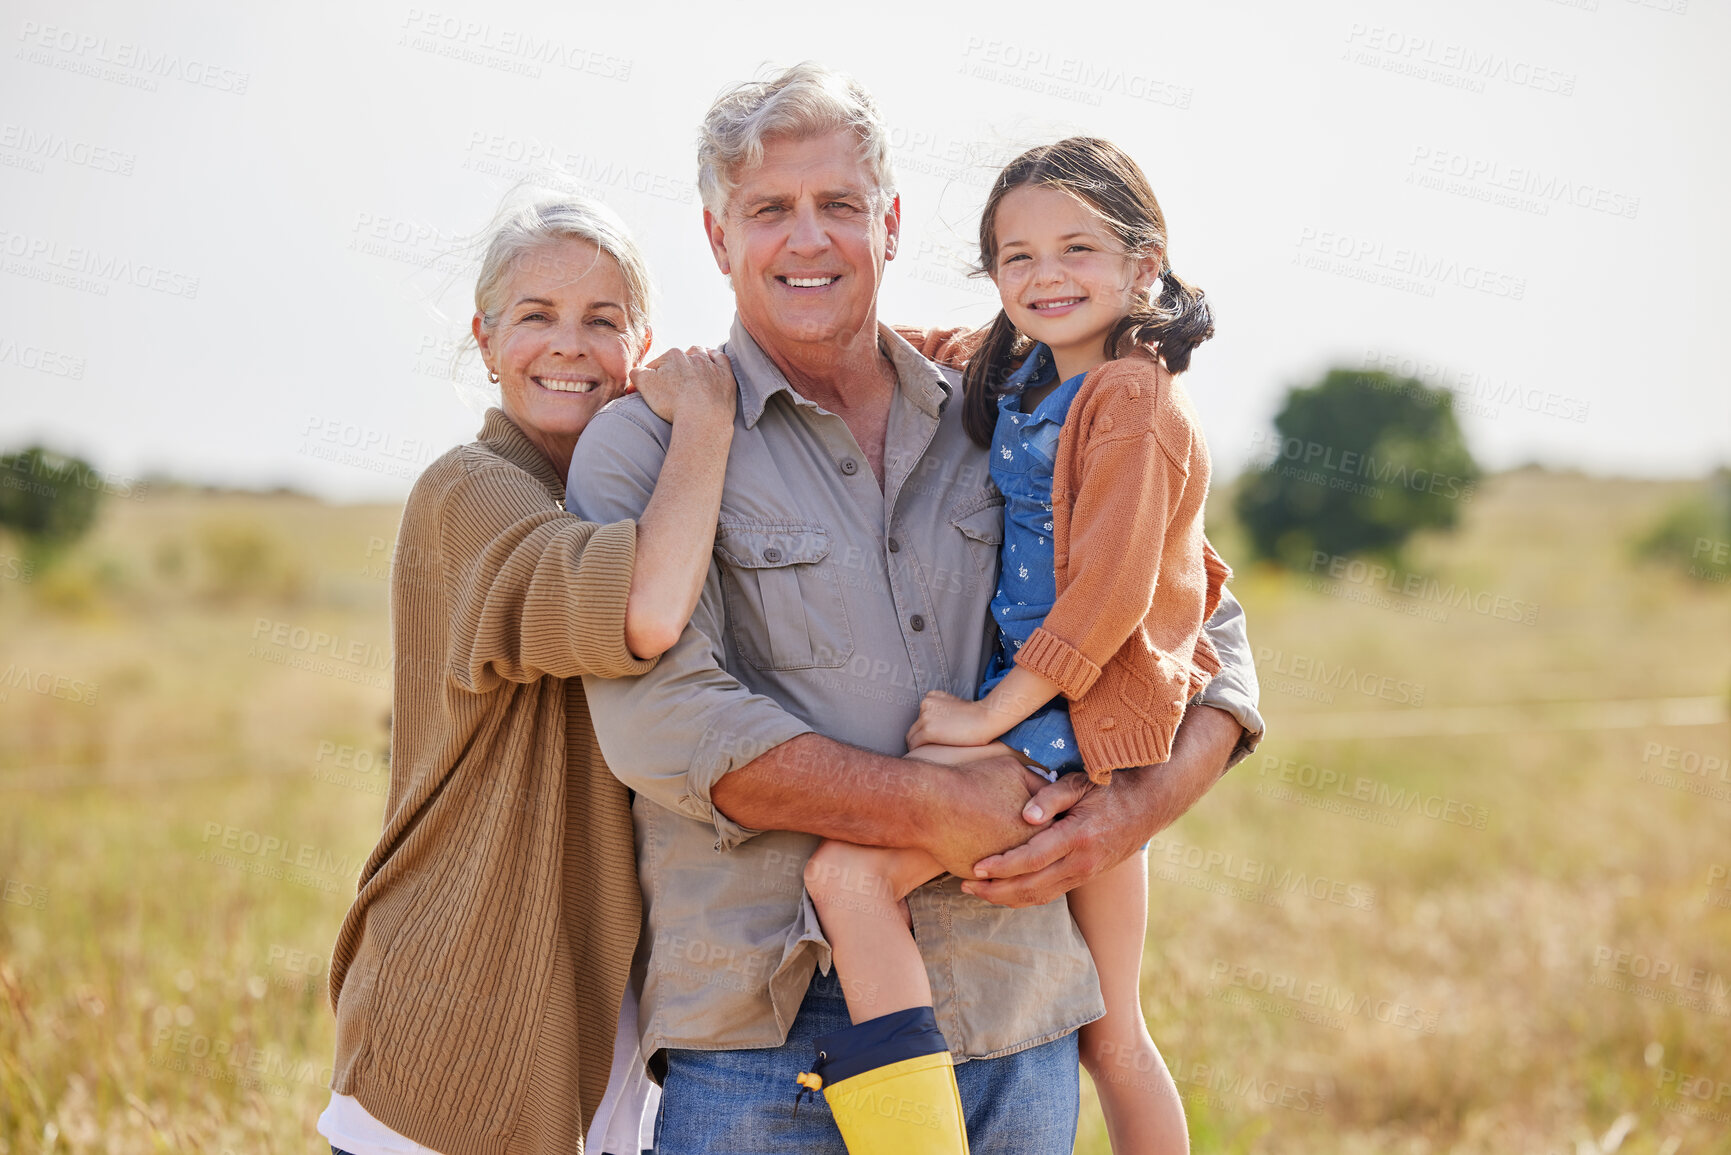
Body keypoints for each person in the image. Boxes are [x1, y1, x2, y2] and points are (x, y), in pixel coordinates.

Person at [568, 63, 1265, 1154]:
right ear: (716, 237)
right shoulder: (649, 444)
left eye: (840, 206)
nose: (809, 241)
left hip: (1013, 1013)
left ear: (889, 223)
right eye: (770, 212)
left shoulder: (1010, 409)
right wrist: (944, 808)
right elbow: (666, 724)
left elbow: (1196, 614)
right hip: (764, 1041)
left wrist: (1130, 813)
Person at [804, 136, 1221, 1154]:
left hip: (1075, 717)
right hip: (1061, 712)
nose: (1045, 277)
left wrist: (993, 713)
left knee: (846, 877)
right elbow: (918, 347)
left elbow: (1112, 592)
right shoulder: (1027, 366)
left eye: (1077, 249)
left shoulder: (1131, 397)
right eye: (1017, 256)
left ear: (1143, 260)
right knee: (1112, 1034)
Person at [318, 191, 738, 1155]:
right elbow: (644, 609)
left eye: (602, 320)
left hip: (589, 1026)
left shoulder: (616, 486)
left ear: (640, 342)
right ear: (485, 336)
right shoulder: (468, 489)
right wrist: (708, 420)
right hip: (458, 1021)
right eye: (536, 316)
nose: (569, 345)